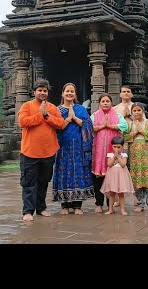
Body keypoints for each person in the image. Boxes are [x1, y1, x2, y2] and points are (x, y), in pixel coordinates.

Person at [17, 79, 65, 222]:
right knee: (29, 183)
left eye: (45, 90)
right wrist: (39, 115)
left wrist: (47, 116)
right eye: (40, 90)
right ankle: (28, 211)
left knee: (44, 181)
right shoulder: (27, 106)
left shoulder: (52, 108)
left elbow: (61, 124)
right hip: (30, 152)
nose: (42, 93)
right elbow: (23, 122)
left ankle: (41, 208)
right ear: (34, 92)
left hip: (48, 152)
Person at [52, 83, 94, 215]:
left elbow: (88, 125)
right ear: (62, 93)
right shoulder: (57, 110)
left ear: (75, 94)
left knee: (78, 173)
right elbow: (56, 127)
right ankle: (64, 205)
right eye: (67, 91)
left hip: (78, 146)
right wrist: (68, 119)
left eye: (72, 91)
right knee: (63, 172)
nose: (69, 93)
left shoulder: (80, 109)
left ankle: (77, 205)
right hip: (63, 146)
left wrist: (75, 118)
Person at [90, 93, 128, 213]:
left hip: (113, 151)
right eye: (103, 101)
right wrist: (102, 126)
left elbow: (125, 126)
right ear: (99, 103)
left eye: (107, 101)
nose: (105, 103)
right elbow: (89, 127)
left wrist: (111, 126)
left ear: (111, 103)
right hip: (99, 152)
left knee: (111, 178)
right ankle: (99, 203)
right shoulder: (95, 115)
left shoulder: (117, 115)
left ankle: (110, 205)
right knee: (98, 178)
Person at [125, 102, 148, 213]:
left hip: (147, 156)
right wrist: (134, 133)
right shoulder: (130, 124)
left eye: (139, 110)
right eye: (134, 110)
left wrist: (142, 131)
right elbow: (125, 137)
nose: (136, 112)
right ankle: (139, 203)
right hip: (135, 156)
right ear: (131, 112)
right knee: (136, 180)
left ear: (143, 111)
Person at [113, 85, 138, 206]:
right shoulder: (116, 108)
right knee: (119, 168)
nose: (126, 93)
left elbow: (141, 121)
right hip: (120, 142)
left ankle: (135, 196)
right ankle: (118, 197)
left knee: (133, 168)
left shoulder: (136, 107)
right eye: (124, 92)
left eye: (128, 92)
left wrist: (131, 116)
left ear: (131, 94)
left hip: (134, 140)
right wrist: (123, 116)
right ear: (120, 94)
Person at [101, 136, 135, 216]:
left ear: (122, 147)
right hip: (112, 176)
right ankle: (110, 209)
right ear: (112, 146)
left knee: (121, 194)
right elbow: (109, 164)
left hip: (121, 176)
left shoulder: (124, 155)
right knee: (112, 193)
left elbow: (123, 165)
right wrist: (114, 157)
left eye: (119, 147)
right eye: (114, 146)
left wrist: (118, 157)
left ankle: (122, 209)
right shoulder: (110, 155)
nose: (116, 149)